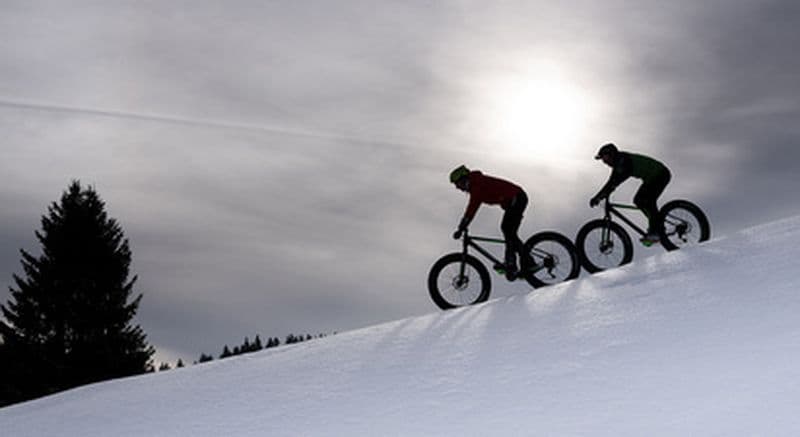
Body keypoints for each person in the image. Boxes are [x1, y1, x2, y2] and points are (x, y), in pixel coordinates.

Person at [450, 165, 531, 280]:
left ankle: (515, 263)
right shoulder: (476, 183)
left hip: (517, 197)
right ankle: (520, 263)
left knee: (508, 229)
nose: (458, 188)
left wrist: (462, 225)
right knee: (508, 231)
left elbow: (473, 207)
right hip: (514, 200)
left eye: (457, 184)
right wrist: (463, 225)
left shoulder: (476, 184)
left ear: (464, 179)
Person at [590, 143, 672, 245]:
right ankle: (657, 225)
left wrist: (600, 196)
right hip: (651, 177)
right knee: (640, 201)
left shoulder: (623, 160)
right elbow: (611, 182)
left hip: (660, 174)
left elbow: (615, 181)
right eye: (603, 160)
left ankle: (655, 229)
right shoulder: (618, 164)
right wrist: (599, 197)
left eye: (605, 158)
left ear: (611, 154)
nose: (604, 162)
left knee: (646, 200)